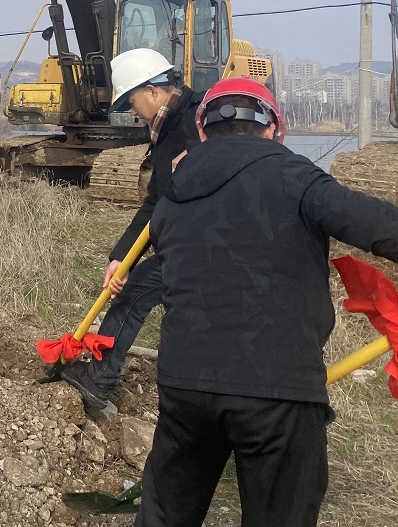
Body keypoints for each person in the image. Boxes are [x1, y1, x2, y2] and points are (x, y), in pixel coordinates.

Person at [136, 78, 398, 527]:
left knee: (164, 517)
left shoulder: (173, 191)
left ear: (201, 130)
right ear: (276, 127)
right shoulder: (295, 174)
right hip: (277, 389)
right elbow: (378, 226)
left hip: (185, 385)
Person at [61, 48, 201, 419]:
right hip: (191, 244)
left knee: (139, 299)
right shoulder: (167, 128)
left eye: (132, 101)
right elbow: (156, 201)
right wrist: (121, 258)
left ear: (153, 90)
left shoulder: (198, 119)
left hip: (209, 247)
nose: (133, 112)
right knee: (142, 296)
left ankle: (99, 381)